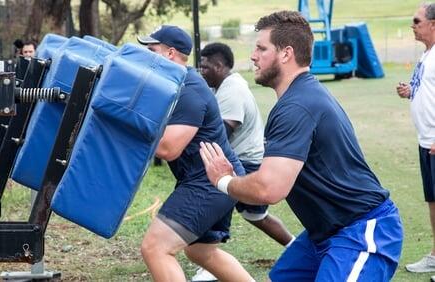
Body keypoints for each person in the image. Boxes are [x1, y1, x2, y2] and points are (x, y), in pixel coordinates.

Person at [199, 11, 403, 281]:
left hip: (360, 230)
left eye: (261, 48)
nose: (253, 55)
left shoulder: (297, 105)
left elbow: (269, 188)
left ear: (286, 54)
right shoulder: (301, 95)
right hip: (325, 232)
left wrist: (224, 180)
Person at [137, 25, 253, 282]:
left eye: (151, 50)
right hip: (213, 178)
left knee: (156, 248)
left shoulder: (190, 91)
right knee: (201, 252)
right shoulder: (175, 86)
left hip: (209, 182)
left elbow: (168, 149)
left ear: (170, 54)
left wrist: (131, 128)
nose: (146, 56)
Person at [191, 42, 294, 282]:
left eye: (205, 67)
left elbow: (222, 132)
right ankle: (295, 245)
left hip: (244, 161)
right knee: (254, 215)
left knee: (216, 200)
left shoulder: (232, 90)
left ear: (219, 66)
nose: (201, 71)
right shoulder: (221, 86)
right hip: (242, 158)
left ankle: (209, 263)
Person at [397, 2, 435, 273]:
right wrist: (410, 91)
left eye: (417, 20)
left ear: (433, 24)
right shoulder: (426, 55)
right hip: (426, 140)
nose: (412, 25)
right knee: (432, 200)